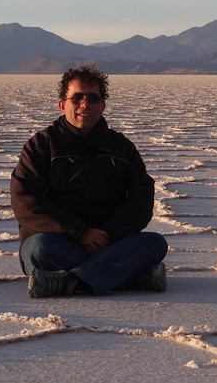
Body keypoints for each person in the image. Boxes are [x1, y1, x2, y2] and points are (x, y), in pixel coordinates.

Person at [10, 64, 168, 297]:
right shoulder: (42, 146)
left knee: (155, 244)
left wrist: (107, 234)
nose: (85, 105)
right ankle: (127, 276)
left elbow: (141, 200)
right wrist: (79, 233)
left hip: (110, 241)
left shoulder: (120, 147)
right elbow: (25, 202)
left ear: (103, 105)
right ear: (62, 105)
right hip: (59, 241)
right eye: (77, 98)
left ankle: (70, 282)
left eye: (93, 98)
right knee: (38, 250)